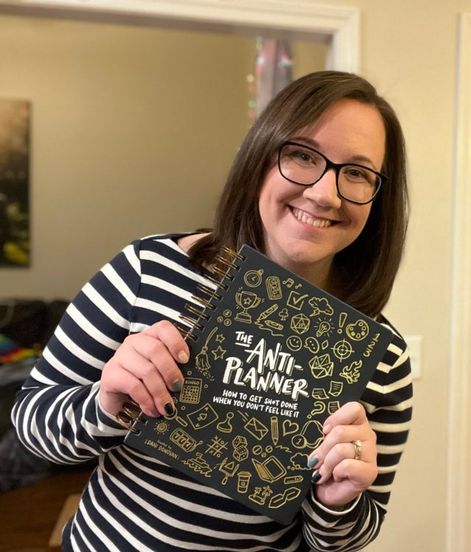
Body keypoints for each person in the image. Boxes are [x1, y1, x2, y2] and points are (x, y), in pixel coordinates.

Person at [12, 70, 413, 551]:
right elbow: (30, 423)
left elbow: (347, 538)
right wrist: (107, 403)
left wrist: (338, 501)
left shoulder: (381, 356)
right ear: (261, 158)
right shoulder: (149, 268)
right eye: (302, 155)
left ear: (378, 197)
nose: (325, 193)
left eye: (357, 172)